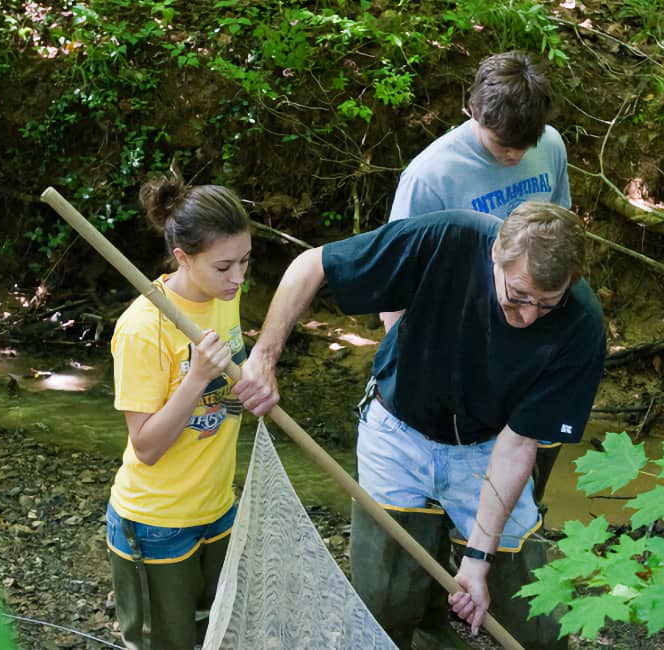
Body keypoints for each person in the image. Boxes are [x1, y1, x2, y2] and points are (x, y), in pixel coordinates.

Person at [234, 201, 604, 650]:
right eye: (519, 296)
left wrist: (477, 560)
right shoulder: (447, 239)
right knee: (386, 600)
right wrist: (264, 355)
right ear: (495, 255)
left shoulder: (581, 325)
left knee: (532, 617)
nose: (528, 316)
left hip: (491, 446)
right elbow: (313, 265)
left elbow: (519, 443)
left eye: (547, 305)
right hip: (398, 433)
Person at [383, 51, 573, 509]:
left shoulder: (549, 145)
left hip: (535, 331)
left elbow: (564, 237)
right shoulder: (429, 178)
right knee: (462, 464)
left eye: (525, 145)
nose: (515, 155)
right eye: (503, 144)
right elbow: (393, 284)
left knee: (533, 447)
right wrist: (409, 371)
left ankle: (517, 522)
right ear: (472, 111)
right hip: (460, 345)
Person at [105, 173, 259, 650]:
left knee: (215, 631)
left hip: (217, 507)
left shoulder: (222, 299)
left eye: (246, 262)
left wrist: (250, 385)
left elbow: (226, 394)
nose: (238, 278)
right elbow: (146, 447)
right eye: (224, 266)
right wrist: (195, 379)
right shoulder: (143, 328)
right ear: (182, 258)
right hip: (156, 522)